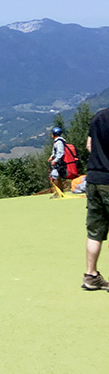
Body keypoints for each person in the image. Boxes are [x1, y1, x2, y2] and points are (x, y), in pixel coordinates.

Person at [82, 107, 109, 291]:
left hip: (93, 179)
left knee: (95, 232)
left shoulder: (98, 116)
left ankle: (91, 275)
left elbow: (89, 146)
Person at [48, 126, 69, 194]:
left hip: (59, 163)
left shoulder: (59, 142)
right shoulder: (58, 142)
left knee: (54, 176)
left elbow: (60, 152)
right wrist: (52, 156)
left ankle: (58, 192)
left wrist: (55, 160)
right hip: (58, 162)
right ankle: (60, 191)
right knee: (57, 176)